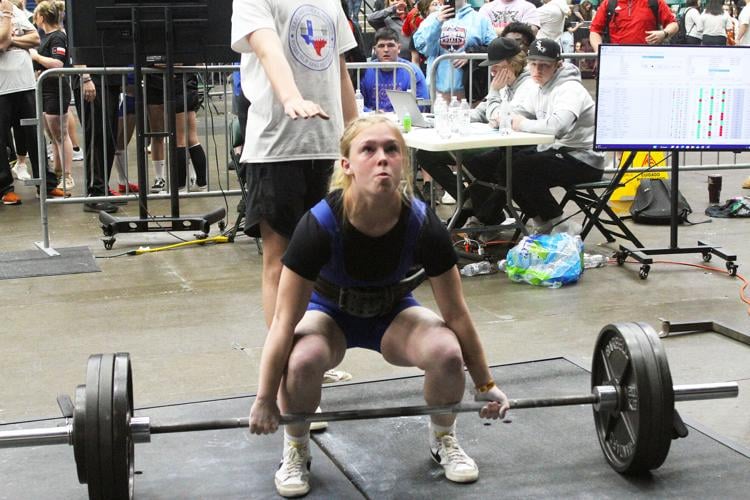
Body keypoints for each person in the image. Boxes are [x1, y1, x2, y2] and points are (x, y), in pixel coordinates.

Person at [248, 115, 510, 497]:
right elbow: (285, 322)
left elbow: (456, 314)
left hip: (392, 314)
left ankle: (444, 439)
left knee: (446, 352)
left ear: (404, 160)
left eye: (391, 149)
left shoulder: (423, 224)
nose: (381, 158)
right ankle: (296, 448)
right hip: (330, 316)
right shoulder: (318, 225)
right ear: (347, 165)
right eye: (368, 150)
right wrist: (265, 399)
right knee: (301, 359)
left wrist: (485, 383)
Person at [231, 0, 359, 405]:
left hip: (326, 145)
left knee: (322, 262)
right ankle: (285, 365)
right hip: (277, 148)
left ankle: (309, 357)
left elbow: (339, 71)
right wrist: (289, 97)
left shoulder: (331, 3)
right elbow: (267, 47)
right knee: (281, 261)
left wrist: (358, 135)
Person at [417, 36, 534, 230]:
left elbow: (502, 118)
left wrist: (495, 92)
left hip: (518, 148)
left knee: (474, 160)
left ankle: (482, 212)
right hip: (497, 144)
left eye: (496, 65)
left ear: (513, 63)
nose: (493, 70)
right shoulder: (502, 83)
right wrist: (447, 116)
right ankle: (468, 200)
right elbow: (481, 112)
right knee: (426, 154)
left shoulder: (527, 85)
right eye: (492, 66)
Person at [509, 38, 605, 234]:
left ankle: (560, 224)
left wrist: (523, 123)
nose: (537, 70)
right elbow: (517, 111)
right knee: (505, 165)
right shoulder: (538, 86)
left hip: (584, 160)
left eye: (545, 65)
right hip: (558, 151)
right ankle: (542, 221)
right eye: (533, 64)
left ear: (558, 65)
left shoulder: (570, 89)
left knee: (520, 168)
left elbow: (557, 127)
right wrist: (505, 115)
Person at [0, 0, 64, 205]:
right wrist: (8, 20)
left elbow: (35, 39)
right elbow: (1, 42)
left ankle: (46, 184)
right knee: (1, 139)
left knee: (35, 136)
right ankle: (4, 188)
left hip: (26, 85)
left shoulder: (16, 11)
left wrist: (11, 39)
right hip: (2, 88)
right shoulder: (11, 13)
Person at [30, 0, 75, 192]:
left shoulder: (57, 37)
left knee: (61, 134)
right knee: (53, 135)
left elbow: (57, 64)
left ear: (41, 17)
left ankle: (68, 175)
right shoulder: (46, 36)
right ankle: (58, 173)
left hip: (56, 90)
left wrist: (36, 57)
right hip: (46, 90)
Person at [413, 0, 496, 102]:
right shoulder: (433, 18)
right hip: (439, 92)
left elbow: (494, 48)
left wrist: (470, 55)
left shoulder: (481, 20)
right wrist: (437, 23)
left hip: (471, 91)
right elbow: (423, 48)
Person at [359, 27, 429, 112]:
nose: (386, 50)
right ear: (375, 50)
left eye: (390, 45)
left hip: (404, 122)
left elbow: (422, 103)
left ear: (399, 48)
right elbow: (357, 104)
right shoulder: (364, 71)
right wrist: (372, 114)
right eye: (381, 46)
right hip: (372, 121)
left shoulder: (412, 71)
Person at [589, 0, 677, 51]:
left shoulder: (654, 2)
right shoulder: (608, 3)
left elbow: (673, 24)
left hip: (647, 57)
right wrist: (599, 52)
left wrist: (664, 33)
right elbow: (595, 31)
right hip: (617, 58)